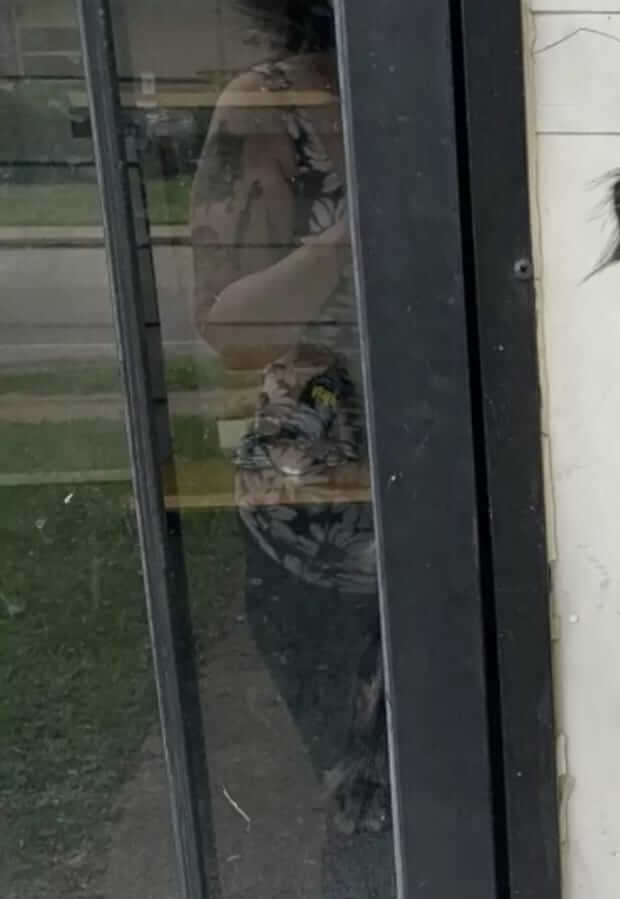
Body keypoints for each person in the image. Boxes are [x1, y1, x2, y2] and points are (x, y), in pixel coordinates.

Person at [189, 3, 391, 895]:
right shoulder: (270, 105)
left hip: (462, 476)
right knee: (361, 787)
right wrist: (356, 234)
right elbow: (230, 328)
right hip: (318, 512)